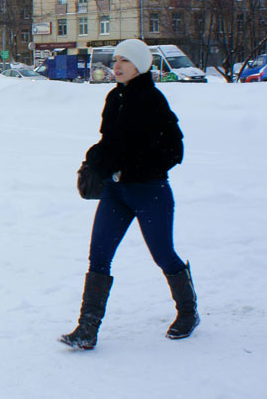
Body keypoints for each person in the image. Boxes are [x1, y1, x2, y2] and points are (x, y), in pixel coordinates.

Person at [61, 38, 199, 350]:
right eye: (115, 60)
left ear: (141, 65)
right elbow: (110, 142)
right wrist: (94, 160)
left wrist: (138, 168)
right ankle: (87, 329)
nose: (117, 65)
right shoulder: (114, 98)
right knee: (99, 255)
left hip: (149, 192)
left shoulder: (153, 101)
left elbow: (174, 150)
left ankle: (188, 313)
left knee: (163, 255)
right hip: (115, 192)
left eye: (125, 60)